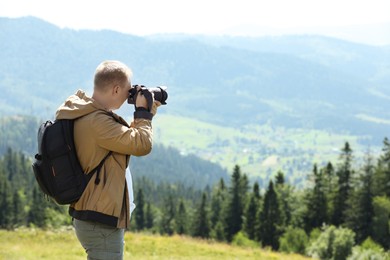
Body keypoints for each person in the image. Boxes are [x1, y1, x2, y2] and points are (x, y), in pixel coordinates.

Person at [55, 60, 159, 259]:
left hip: (95, 216)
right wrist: (143, 114)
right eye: (128, 91)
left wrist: (147, 113)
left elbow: (123, 140)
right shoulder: (97, 121)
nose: (129, 96)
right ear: (116, 89)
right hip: (99, 221)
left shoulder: (90, 115)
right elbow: (142, 145)